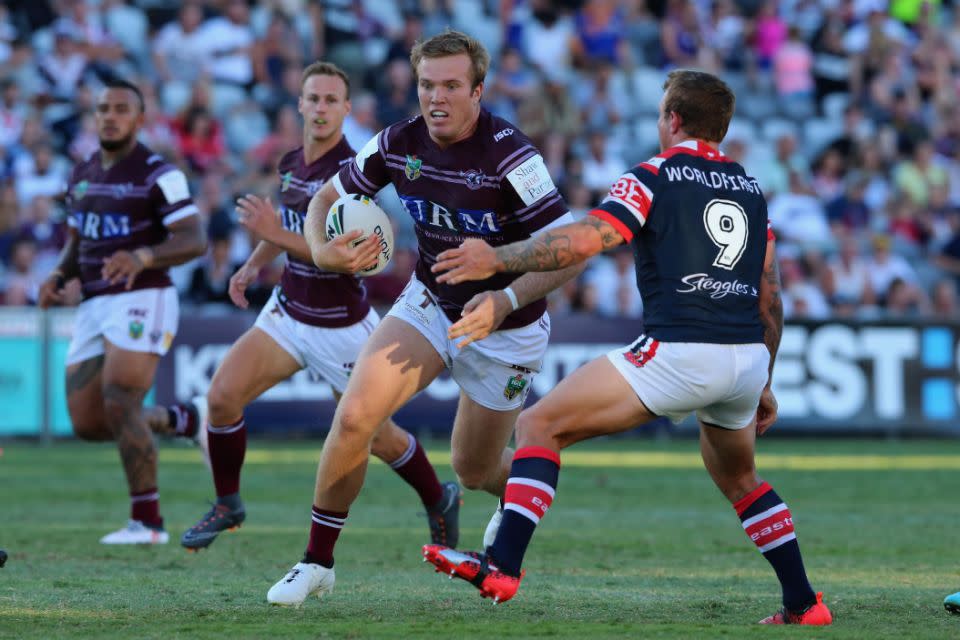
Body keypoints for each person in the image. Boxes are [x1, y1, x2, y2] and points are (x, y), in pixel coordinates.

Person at [423, 69, 833, 626]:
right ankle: (804, 604)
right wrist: (762, 381)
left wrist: (499, 260)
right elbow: (771, 298)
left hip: (681, 350)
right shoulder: (751, 188)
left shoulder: (653, 175)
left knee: (539, 426)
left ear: (673, 119)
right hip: (745, 357)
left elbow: (590, 238)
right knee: (741, 480)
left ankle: (501, 565)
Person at [265, 30, 584, 606]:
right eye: (426, 85)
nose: (436, 98)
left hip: (508, 328)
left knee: (474, 469)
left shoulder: (512, 155)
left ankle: (523, 493)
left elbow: (568, 251)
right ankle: (316, 563)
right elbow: (322, 201)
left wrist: (504, 301)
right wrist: (322, 249)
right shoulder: (395, 142)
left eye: (451, 86)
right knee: (356, 414)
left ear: (478, 91)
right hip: (432, 302)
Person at [179, 61, 461, 552]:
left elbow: (348, 260)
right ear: (300, 104)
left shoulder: (355, 173)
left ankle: (439, 498)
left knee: (379, 437)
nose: (322, 108)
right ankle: (228, 503)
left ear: (347, 109)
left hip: (342, 327)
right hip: (288, 313)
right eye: (314, 98)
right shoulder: (291, 163)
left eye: (332, 100)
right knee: (222, 398)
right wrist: (254, 264)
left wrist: (272, 234)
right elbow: (289, 225)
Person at [38, 79, 207, 544]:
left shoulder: (158, 173)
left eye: (120, 109)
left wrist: (144, 257)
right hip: (93, 300)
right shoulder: (82, 172)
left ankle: (148, 523)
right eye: (102, 108)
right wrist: (58, 275)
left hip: (143, 293)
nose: (109, 116)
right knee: (90, 423)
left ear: (139, 118)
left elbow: (194, 239)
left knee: (120, 398)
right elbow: (79, 238)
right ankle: (187, 420)